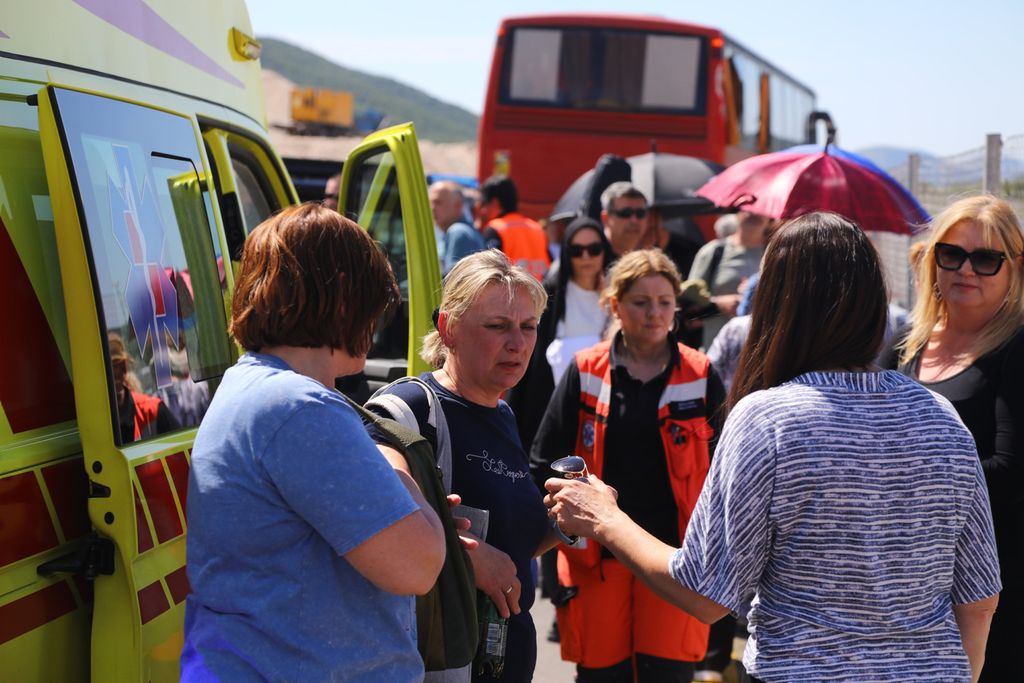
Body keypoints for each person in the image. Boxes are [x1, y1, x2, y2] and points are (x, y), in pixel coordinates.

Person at [546, 212, 1002, 683]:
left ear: (779, 302)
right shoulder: (941, 417)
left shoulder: (769, 420)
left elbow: (704, 592)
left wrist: (606, 518)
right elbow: (980, 600)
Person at [180, 203, 447, 682]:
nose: (375, 324)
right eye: (376, 306)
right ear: (343, 296)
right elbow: (418, 565)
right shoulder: (301, 408)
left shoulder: (252, 385)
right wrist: (396, 466)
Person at [532, 248, 726, 683]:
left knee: (666, 674)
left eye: (664, 302)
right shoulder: (586, 369)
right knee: (602, 676)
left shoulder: (700, 373)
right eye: (641, 302)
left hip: (674, 558)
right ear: (615, 305)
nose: (654, 313)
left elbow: (726, 469)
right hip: (597, 558)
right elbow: (544, 461)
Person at [366, 249, 557, 683]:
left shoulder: (502, 412)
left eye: (528, 327)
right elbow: (370, 516)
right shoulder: (408, 409)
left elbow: (510, 544)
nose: (518, 343)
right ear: (448, 328)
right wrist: (464, 558)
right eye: (497, 326)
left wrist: (565, 521)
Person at [896, 195, 1023, 682]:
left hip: (994, 585)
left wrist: (899, 481)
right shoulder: (903, 345)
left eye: (986, 259)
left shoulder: (1018, 349)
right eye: (951, 254)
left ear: (1015, 268)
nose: (966, 270)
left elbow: (1010, 473)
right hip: (908, 578)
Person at [688, 211, 768, 350]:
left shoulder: (778, 253)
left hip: (762, 354)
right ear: (737, 212)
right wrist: (719, 305)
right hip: (715, 353)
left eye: (762, 208)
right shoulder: (713, 252)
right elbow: (688, 309)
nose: (755, 212)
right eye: (749, 205)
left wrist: (758, 294)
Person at [108, 333, 180, 442]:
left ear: (124, 367)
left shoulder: (153, 411)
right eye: (107, 367)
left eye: (115, 365)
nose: (111, 372)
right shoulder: (96, 423)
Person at [476, 175, 551, 280]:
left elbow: (488, 272)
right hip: (540, 289)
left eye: (484, 203)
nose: (482, 210)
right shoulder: (537, 228)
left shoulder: (495, 229)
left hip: (512, 289)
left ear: (494, 202)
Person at [430, 180, 486, 274]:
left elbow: (454, 279)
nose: (432, 208)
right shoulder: (464, 231)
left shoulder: (458, 232)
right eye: (431, 202)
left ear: (458, 205)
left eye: (438, 202)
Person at [600, 181, 649, 261]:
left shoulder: (650, 260)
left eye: (640, 213)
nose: (634, 220)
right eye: (625, 213)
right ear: (606, 218)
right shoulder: (590, 255)